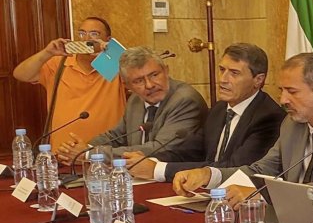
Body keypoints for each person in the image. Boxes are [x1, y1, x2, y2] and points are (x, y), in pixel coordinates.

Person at [172, 52, 313, 208]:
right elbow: (261, 170)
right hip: (293, 219)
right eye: (281, 91)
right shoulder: (293, 123)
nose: (283, 100)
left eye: (292, 91)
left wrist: (261, 194)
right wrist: (209, 175)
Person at [125, 43, 285, 182]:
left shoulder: (269, 117)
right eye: (222, 70)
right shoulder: (220, 109)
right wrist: (150, 160)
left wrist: (159, 169)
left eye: (234, 73)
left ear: (258, 80)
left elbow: (233, 167)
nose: (223, 79)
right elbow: (192, 150)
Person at [62, 47, 207, 163]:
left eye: (154, 75)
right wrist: (82, 148)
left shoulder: (184, 100)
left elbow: (160, 149)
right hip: (142, 178)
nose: (149, 85)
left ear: (166, 71)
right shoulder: (136, 100)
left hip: (178, 179)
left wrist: (90, 154)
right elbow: (117, 136)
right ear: (127, 86)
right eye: (139, 81)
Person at [12, 17, 126, 151]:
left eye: (94, 34)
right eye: (82, 33)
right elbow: (20, 74)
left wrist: (111, 52)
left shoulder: (116, 64)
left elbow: (141, 70)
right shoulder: (59, 63)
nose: (86, 39)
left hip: (107, 152)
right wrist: (47, 53)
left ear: (107, 39)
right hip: (63, 152)